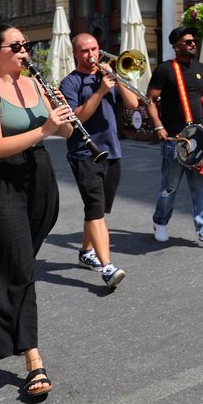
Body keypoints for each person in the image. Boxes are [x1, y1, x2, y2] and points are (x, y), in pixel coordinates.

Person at [0, 24, 74, 398]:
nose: (24, 50)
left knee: (17, 264)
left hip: (39, 180)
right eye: (15, 46)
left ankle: (7, 316)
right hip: (3, 184)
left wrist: (63, 118)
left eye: (26, 45)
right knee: (21, 267)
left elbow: (64, 134)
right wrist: (46, 128)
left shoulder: (35, 84)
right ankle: (33, 357)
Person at [60, 33, 140, 288]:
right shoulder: (69, 83)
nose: (91, 54)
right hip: (84, 153)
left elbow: (133, 104)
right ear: (75, 53)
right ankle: (107, 267)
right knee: (95, 207)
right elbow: (75, 119)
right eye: (84, 50)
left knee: (97, 208)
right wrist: (101, 90)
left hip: (112, 151)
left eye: (94, 48)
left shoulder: (107, 77)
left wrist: (118, 79)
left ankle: (86, 253)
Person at [147, 26, 203, 249]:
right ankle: (160, 222)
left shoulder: (199, 68)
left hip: (199, 139)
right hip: (175, 139)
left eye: (193, 41)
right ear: (176, 46)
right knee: (170, 187)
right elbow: (150, 100)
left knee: (199, 188)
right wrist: (158, 126)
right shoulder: (165, 70)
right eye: (187, 42)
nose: (193, 44)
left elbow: (200, 94)